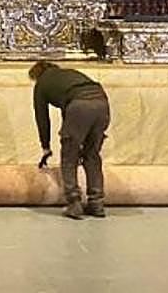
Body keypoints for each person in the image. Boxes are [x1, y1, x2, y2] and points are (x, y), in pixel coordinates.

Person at [29, 60, 111, 220]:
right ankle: (97, 203)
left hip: (79, 105)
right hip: (102, 102)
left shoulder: (42, 84)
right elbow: (67, 106)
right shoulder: (69, 74)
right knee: (92, 155)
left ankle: (74, 204)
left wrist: (45, 147)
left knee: (69, 157)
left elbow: (42, 117)